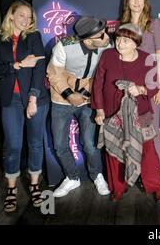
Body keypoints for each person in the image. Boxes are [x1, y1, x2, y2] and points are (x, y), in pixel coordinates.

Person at [92, 23, 160, 202]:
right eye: (118, 39)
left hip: (140, 114)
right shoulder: (107, 55)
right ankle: (117, 188)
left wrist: (140, 89)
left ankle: (155, 187)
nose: (120, 43)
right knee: (113, 152)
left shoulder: (148, 58)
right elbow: (98, 84)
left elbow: (154, 86)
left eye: (125, 40)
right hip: (112, 113)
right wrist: (100, 110)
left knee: (148, 152)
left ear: (135, 42)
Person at [0, 0, 49, 212]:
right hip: (10, 100)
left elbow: (39, 68)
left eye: (29, 16)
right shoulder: (1, 40)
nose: (26, 20)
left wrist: (32, 98)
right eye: (22, 15)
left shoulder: (33, 37)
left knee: (35, 143)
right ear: (12, 16)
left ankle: (34, 185)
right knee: (13, 145)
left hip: (35, 98)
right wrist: (16, 65)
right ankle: (12, 188)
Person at [47, 15, 110, 198]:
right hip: (61, 100)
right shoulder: (64, 46)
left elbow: (104, 75)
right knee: (59, 144)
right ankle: (72, 177)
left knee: (90, 144)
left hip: (89, 100)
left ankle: (97, 175)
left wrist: (85, 94)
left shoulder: (106, 45)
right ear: (89, 40)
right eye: (101, 35)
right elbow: (54, 73)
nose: (106, 36)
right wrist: (69, 94)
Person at [120, 0, 160, 184]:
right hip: (128, 86)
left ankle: (158, 172)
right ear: (127, 2)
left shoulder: (154, 24)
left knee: (151, 130)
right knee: (130, 130)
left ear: (145, 1)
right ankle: (136, 172)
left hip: (149, 86)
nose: (136, 2)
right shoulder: (122, 26)